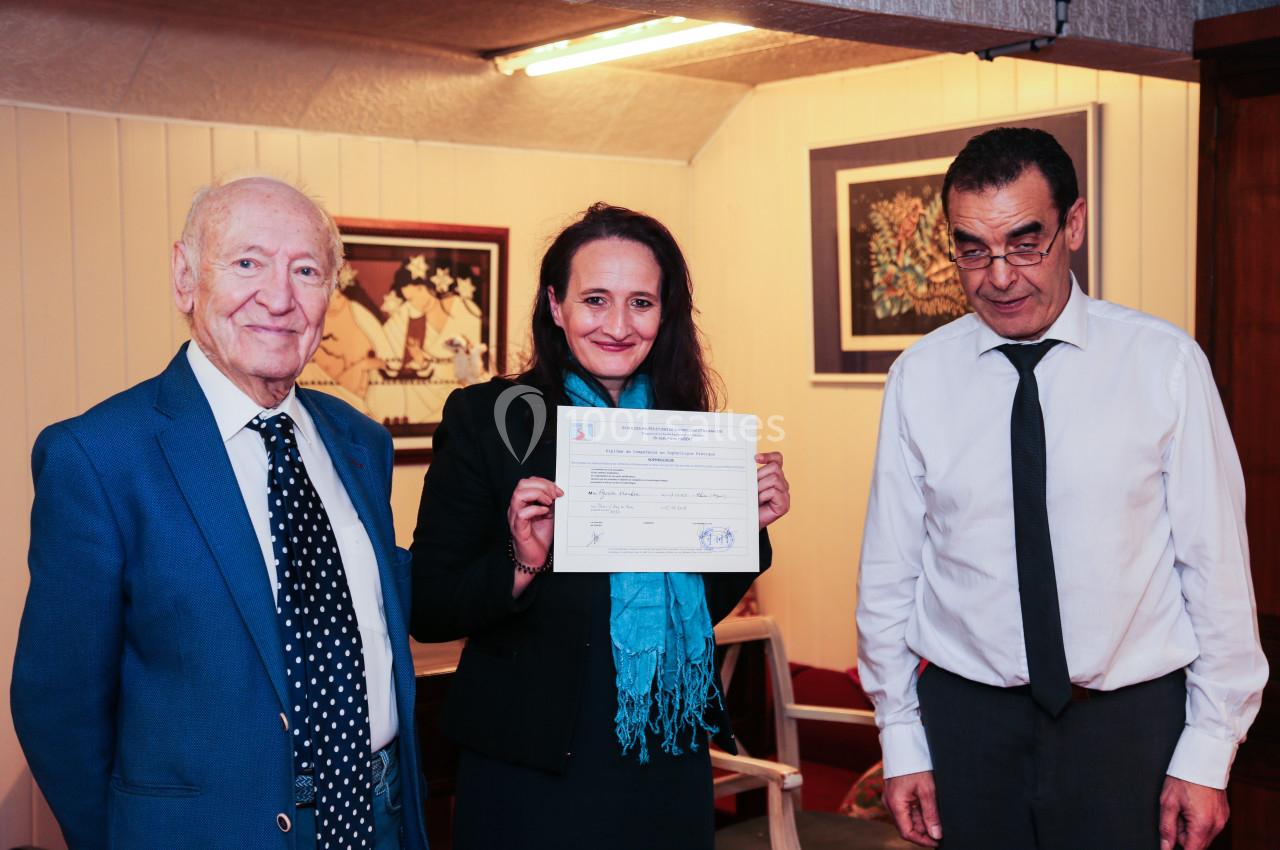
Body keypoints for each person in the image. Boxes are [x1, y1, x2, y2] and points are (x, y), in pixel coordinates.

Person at [856, 127, 1267, 850]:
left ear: (1073, 225)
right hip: (967, 722)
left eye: (1025, 242)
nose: (1000, 276)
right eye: (972, 249)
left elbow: (1215, 573)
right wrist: (901, 734)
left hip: (1128, 726)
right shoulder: (919, 378)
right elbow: (890, 572)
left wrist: (1209, 747)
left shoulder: (1163, 365)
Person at [11, 177, 430, 850]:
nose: (279, 298)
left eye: (306, 271)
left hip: (377, 814)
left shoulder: (359, 443)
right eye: (246, 263)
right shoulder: (97, 457)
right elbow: (56, 706)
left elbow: (370, 610)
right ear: (185, 278)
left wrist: (515, 559)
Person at [409, 203, 791, 850]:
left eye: (641, 302)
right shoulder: (491, 416)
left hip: (664, 752)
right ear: (556, 306)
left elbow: (701, 604)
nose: (618, 325)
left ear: (665, 312)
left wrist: (745, 528)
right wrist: (522, 560)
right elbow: (431, 606)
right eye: (595, 299)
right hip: (533, 772)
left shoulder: (682, 422)